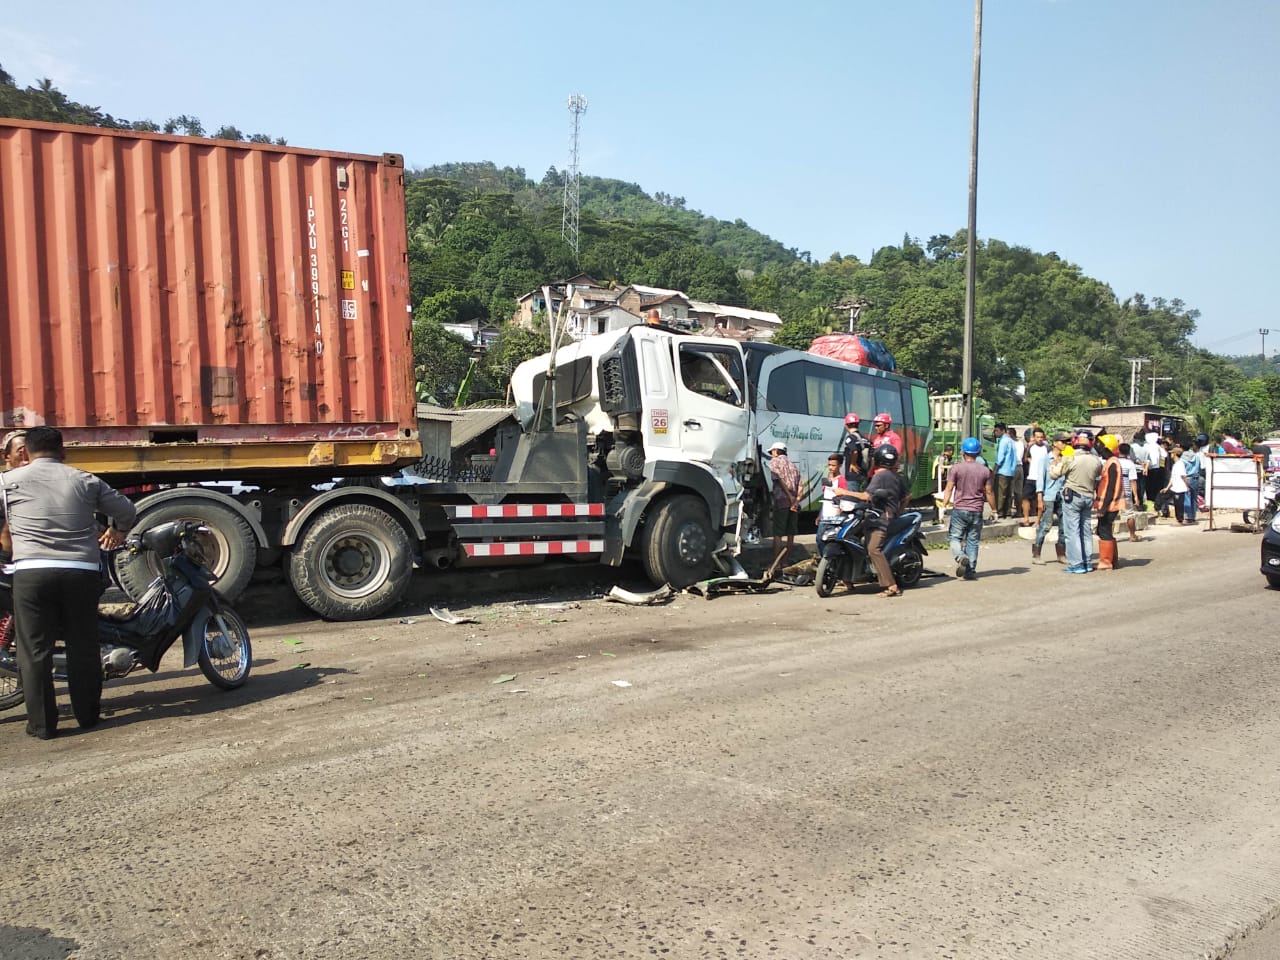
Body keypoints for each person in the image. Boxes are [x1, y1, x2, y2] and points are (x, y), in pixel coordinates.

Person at [0, 426, 137, 739]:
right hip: (80, 572)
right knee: (83, 645)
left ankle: (42, 726)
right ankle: (88, 716)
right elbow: (127, 511)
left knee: (34, 651)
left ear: (25, 452)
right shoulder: (84, 479)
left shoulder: (7, 481)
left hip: (31, 573)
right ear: (63, 452)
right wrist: (117, 530)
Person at [849, 444, 909, 597]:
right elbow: (907, 497)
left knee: (873, 550)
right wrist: (896, 511)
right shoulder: (895, 476)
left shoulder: (881, 476)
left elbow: (866, 496)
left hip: (879, 520)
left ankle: (892, 585)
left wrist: (843, 492)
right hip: (881, 517)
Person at [939, 436, 995, 581]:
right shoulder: (985, 471)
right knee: (973, 540)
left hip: (960, 509)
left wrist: (944, 506)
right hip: (977, 509)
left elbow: (949, 488)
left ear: (963, 452)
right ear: (978, 453)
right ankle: (970, 571)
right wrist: (994, 510)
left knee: (954, 537)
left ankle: (960, 556)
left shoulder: (956, 468)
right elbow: (988, 492)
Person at [1050, 431, 1101, 574]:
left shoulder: (1070, 459)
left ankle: (1076, 564)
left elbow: (1054, 475)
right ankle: (1087, 562)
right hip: (1088, 497)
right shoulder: (1096, 460)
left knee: (1072, 532)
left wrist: (1054, 465)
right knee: (1086, 530)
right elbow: (1098, 475)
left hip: (1072, 497)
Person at [1032, 431, 1071, 564]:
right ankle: (1036, 554)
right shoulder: (1045, 459)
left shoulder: (1065, 459)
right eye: (1062, 441)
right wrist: (1039, 499)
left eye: (1066, 442)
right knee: (1045, 525)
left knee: (1063, 526)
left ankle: (1061, 554)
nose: (1065, 444)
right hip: (1048, 495)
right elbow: (1040, 480)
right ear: (1055, 443)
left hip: (1062, 495)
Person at [767, 440, 802, 563]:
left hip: (781, 501)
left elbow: (779, 480)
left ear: (776, 451)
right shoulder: (793, 465)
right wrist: (796, 500)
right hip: (794, 504)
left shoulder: (774, 462)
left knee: (778, 533)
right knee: (791, 533)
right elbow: (801, 485)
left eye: (772, 452)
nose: (772, 454)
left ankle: (776, 563)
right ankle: (786, 561)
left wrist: (789, 496)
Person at [1093, 434, 1124, 570]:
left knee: (1104, 531)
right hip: (1109, 503)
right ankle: (1113, 561)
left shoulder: (1112, 463)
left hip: (1110, 504)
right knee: (1103, 530)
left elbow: (1111, 487)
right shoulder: (1111, 462)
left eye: (1100, 446)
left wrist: (1103, 508)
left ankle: (1106, 562)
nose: (1098, 449)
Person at [835, 413, 870, 490]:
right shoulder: (866, 440)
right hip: (864, 475)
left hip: (853, 476)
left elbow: (854, 451)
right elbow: (872, 457)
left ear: (846, 426)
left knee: (852, 500)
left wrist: (853, 464)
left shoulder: (850, 438)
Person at [1022, 427, 1048, 526]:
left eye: (1041, 437)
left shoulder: (1047, 448)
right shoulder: (1031, 447)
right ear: (1034, 437)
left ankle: (1038, 521)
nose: (1039, 439)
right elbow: (1026, 457)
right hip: (1031, 476)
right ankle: (1026, 518)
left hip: (1041, 478)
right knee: (1025, 497)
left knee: (1040, 500)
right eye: (1037, 437)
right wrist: (1031, 462)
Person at [1117, 443, 1142, 542]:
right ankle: (1132, 535)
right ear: (1128, 452)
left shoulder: (1114, 462)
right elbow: (1133, 481)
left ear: (1118, 451)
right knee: (1129, 515)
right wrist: (1136, 496)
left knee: (1111, 516)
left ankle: (1109, 537)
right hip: (1126, 493)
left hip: (1114, 493)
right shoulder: (1130, 464)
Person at [994, 423, 1018, 518]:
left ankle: (999, 512)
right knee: (1008, 493)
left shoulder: (1003, 441)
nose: (995, 433)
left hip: (1003, 470)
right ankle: (1007, 512)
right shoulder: (1011, 441)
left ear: (1003, 431)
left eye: (997, 431)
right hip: (1011, 470)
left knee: (1000, 493)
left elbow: (1000, 457)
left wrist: (995, 469)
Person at [819, 454, 849, 522]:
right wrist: (819, 515)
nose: (830, 467)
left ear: (840, 465)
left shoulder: (841, 480)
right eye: (829, 465)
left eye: (833, 465)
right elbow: (824, 499)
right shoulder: (827, 480)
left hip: (835, 515)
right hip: (824, 515)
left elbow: (843, 500)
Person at [1162, 444, 1188, 523]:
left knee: (1179, 504)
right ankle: (1178, 519)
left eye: (1172, 453)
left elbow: (1183, 476)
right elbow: (1172, 478)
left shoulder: (1180, 464)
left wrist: (1187, 486)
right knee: (1176, 503)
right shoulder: (1175, 465)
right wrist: (1167, 487)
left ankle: (1180, 520)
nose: (1171, 455)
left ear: (1175, 454)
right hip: (1175, 487)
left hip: (1180, 487)